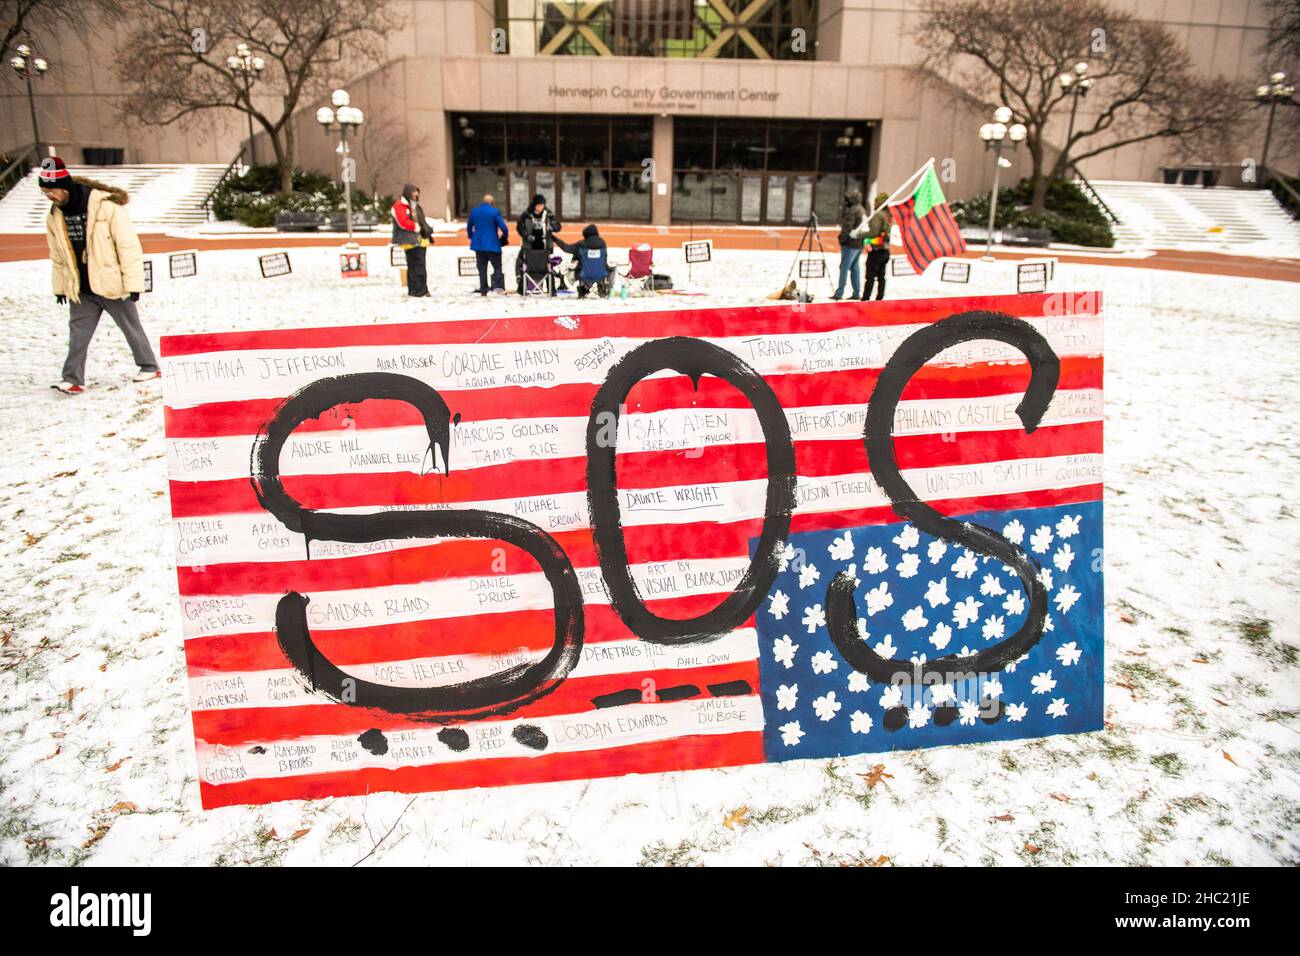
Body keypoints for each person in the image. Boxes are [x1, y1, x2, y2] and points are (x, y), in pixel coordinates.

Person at [41, 156, 159, 395]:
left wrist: (134, 283)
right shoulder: (55, 215)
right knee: (78, 333)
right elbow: (58, 255)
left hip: (111, 282)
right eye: (45, 192)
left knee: (130, 326)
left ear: (65, 187)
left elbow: (127, 246)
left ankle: (149, 366)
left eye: (52, 191)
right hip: (81, 287)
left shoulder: (105, 207)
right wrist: (60, 288)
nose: (49, 196)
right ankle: (73, 378)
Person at [391, 183, 433, 297]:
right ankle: (419, 291)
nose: (416, 195)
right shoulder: (400, 205)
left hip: (419, 240)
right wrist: (415, 227)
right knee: (417, 266)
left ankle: (417, 289)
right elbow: (402, 222)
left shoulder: (413, 205)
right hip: (410, 240)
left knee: (416, 266)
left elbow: (421, 219)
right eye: (414, 193)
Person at [515, 193, 561, 293]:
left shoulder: (548, 214)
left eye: (542, 205)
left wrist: (552, 227)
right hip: (530, 246)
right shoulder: (526, 214)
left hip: (545, 246)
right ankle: (523, 286)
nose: (540, 207)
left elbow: (558, 226)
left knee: (546, 266)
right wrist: (527, 236)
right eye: (538, 205)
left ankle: (549, 288)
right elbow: (519, 227)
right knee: (526, 264)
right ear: (534, 205)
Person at [465, 193, 509, 295]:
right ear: (492, 203)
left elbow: (469, 227)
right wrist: (504, 238)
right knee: (497, 267)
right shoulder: (494, 212)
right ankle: (496, 286)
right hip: (493, 244)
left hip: (479, 245)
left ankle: (483, 289)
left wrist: (472, 237)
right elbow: (504, 228)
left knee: (482, 268)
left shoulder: (475, 211)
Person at [555, 224, 611, 298]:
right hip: (601, 273)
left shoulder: (581, 244)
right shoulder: (602, 243)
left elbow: (567, 248)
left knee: (574, 261)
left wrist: (556, 240)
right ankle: (601, 286)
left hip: (583, 274)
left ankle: (583, 288)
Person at [831, 188, 868, 300]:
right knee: (855, 268)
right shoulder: (862, 210)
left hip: (850, 244)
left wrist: (842, 239)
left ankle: (839, 292)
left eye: (848, 199)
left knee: (844, 268)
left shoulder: (853, 210)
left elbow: (847, 226)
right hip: (858, 244)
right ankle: (856, 293)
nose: (846, 201)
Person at [862, 192, 893, 301]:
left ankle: (866, 298)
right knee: (881, 277)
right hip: (885, 250)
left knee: (870, 277)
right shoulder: (888, 214)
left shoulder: (878, 215)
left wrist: (860, 235)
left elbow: (873, 233)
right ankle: (879, 298)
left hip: (876, 250)